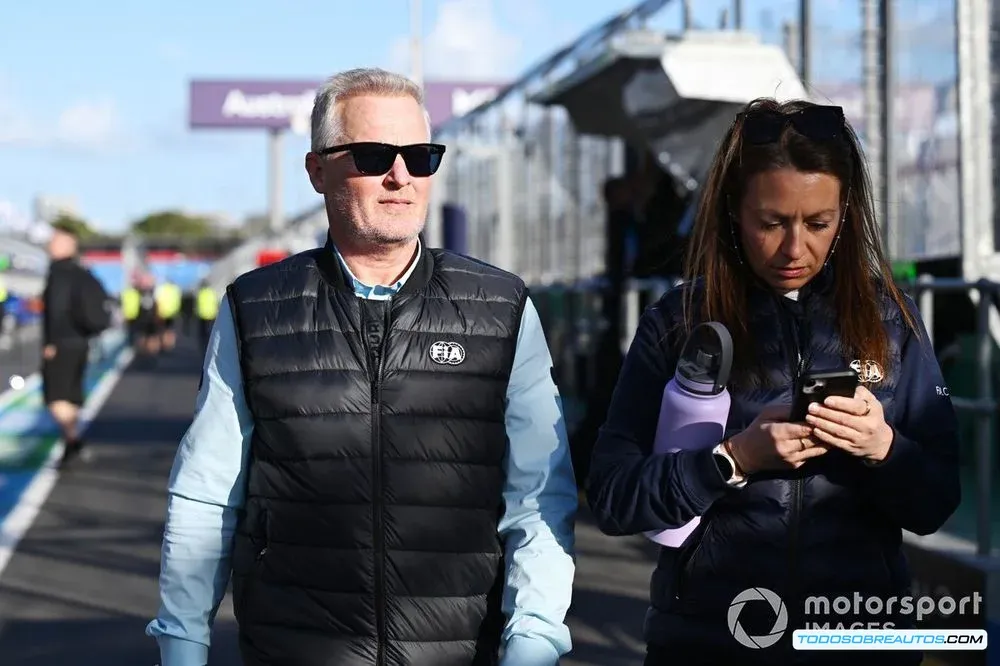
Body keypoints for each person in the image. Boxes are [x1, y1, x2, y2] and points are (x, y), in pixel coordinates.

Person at [146, 67, 577, 666]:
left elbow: (537, 496)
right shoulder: (253, 309)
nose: (401, 177)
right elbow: (206, 494)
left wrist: (532, 642)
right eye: (375, 155)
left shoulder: (501, 308)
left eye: (421, 156)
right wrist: (183, 645)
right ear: (317, 171)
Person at [587, 99, 961, 666]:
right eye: (771, 223)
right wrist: (732, 460)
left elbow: (937, 501)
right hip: (713, 640)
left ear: (847, 214)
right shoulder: (680, 321)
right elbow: (614, 496)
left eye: (818, 223)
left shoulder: (893, 320)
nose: (795, 248)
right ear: (734, 210)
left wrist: (883, 449)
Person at [41, 224, 109, 464]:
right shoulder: (83, 272)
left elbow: (56, 310)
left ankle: (74, 441)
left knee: (55, 398)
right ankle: (73, 442)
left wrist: (50, 342)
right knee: (71, 395)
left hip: (62, 343)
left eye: (55, 240)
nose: (50, 244)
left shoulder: (59, 272)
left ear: (68, 244)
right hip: (81, 341)